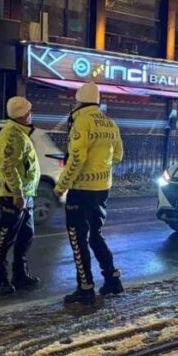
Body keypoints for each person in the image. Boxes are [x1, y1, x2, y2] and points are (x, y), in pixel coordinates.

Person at [57, 82, 124, 305]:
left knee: (78, 240)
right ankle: (112, 280)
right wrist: (101, 164)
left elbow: (76, 159)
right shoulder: (110, 122)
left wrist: (61, 187)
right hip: (102, 189)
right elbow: (118, 156)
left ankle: (85, 289)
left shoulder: (81, 121)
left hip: (81, 190)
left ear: (79, 101)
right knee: (96, 235)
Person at [0, 96, 42, 296]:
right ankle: (1, 278)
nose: (31, 114)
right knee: (6, 238)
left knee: (25, 236)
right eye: (29, 111)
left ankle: (20, 275)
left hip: (26, 194)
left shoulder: (20, 132)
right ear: (22, 115)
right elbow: (8, 167)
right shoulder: (12, 135)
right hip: (14, 196)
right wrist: (17, 193)